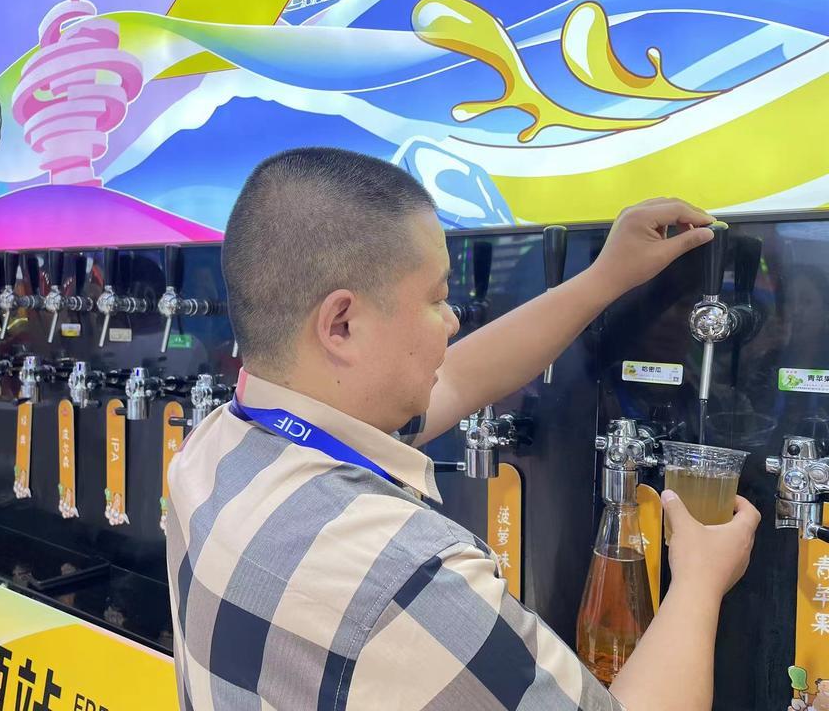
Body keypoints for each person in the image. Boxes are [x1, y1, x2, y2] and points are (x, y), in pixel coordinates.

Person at [166, 148, 761, 711]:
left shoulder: (214, 447)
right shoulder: (402, 576)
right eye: (436, 298)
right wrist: (700, 581)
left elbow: (460, 378)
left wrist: (605, 277)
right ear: (341, 324)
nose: (452, 321)